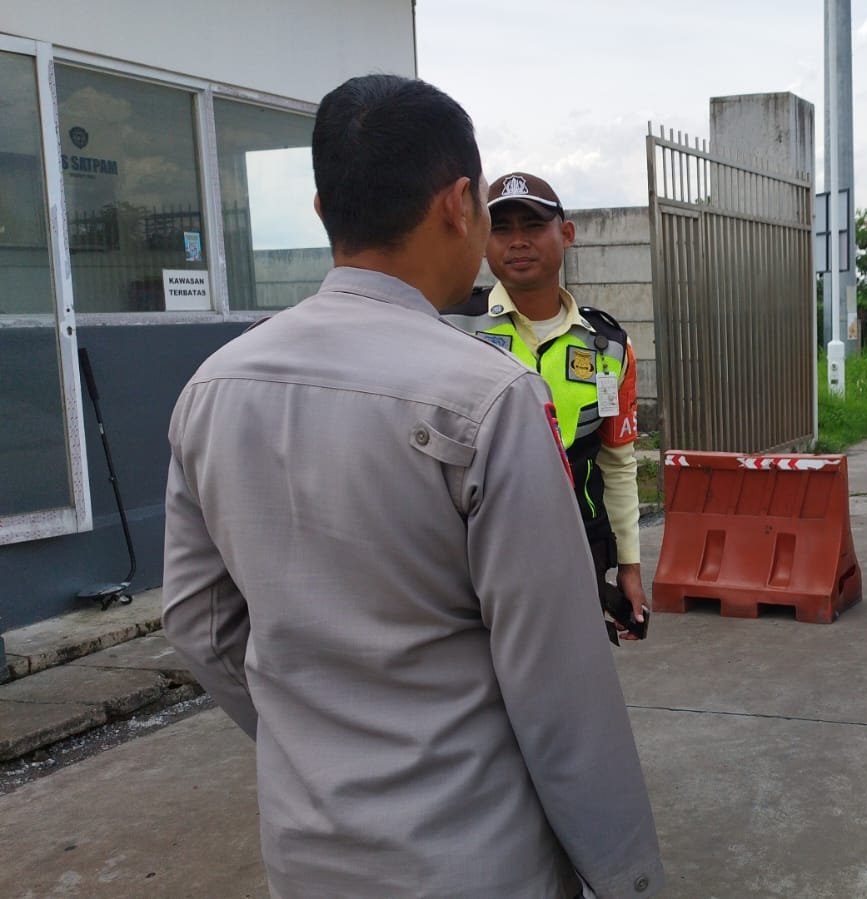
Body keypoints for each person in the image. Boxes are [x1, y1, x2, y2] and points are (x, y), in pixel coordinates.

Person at [161, 74, 662, 899]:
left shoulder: (212, 388)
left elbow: (198, 624)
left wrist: (312, 746)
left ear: (322, 211)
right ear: (459, 205)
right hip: (476, 855)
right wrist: (626, 876)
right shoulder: (488, 396)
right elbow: (558, 684)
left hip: (308, 853)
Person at [441, 173, 647, 643]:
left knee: (572, 668)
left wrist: (630, 567)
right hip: (473, 549)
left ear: (566, 234)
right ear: (482, 238)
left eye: (533, 226)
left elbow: (618, 463)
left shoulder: (609, 346)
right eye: (501, 228)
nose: (517, 242)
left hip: (580, 546)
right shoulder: (449, 326)